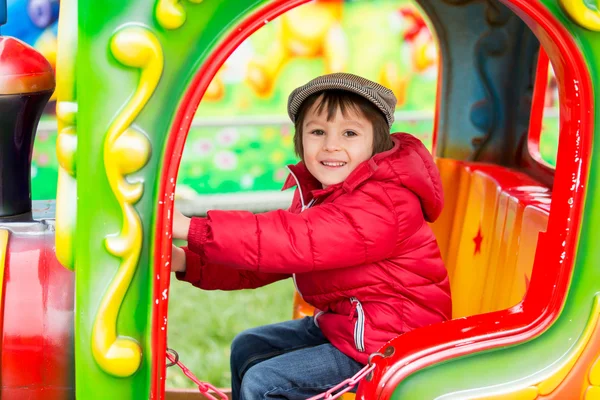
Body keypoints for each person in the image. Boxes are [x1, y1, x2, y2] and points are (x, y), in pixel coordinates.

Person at [170, 72, 451, 400]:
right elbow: (268, 259)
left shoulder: (385, 201)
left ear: (377, 145)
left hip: (391, 346)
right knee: (249, 348)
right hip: (352, 329)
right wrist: (187, 261)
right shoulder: (326, 195)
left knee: (267, 381)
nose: (331, 145)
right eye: (318, 131)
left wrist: (192, 228)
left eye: (349, 133)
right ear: (300, 141)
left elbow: (295, 240)